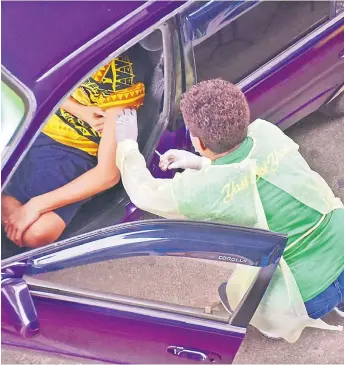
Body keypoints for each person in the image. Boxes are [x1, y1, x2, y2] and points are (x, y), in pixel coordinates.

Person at [114, 79, 344, 341]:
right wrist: (200, 163)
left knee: (235, 295)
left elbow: (144, 193)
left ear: (198, 141)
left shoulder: (198, 193)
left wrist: (127, 145)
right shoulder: (267, 133)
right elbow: (249, 170)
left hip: (307, 295)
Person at [2, 49, 145, 248]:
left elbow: (108, 175)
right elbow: (38, 87)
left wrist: (35, 206)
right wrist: (80, 110)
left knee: (37, 233)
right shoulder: (62, 46)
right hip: (31, 129)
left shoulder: (120, 79)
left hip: (71, 156)